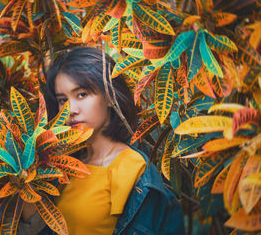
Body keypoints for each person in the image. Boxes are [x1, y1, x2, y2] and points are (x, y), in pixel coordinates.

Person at [18, 47, 185, 235]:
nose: (70, 109)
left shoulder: (130, 168)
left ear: (109, 97)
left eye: (81, 94)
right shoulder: (60, 165)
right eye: (62, 100)